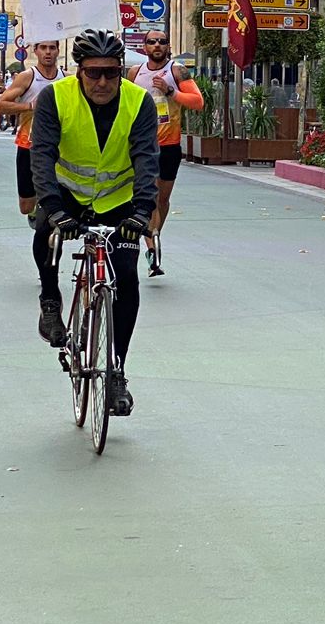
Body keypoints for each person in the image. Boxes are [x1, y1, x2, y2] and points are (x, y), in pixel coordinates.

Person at [29, 30, 158, 417]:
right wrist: (53, 209)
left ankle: (116, 369)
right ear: (78, 71)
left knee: (127, 279)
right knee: (44, 233)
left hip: (119, 202)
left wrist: (142, 212)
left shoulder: (140, 102)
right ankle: (50, 301)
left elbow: (147, 160)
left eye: (111, 73)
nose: (102, 82)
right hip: (67, 196)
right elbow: (42, 154)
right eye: (93, 73)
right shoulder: (55, 97)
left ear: (121, 72)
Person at [130, 34, 203, 275]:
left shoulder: (177, 71)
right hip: (142, 145)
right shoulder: (134, 73)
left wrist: (170, 91)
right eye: (152, 42)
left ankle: (155, 234)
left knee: (162, 199)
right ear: (145, 47)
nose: (157, 46)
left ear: (168, 46)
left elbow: (197, 102)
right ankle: (151, 247)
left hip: (169, 145)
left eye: (161, 42)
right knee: (149, 197)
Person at [0, 38, 65, 220]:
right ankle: (37, 213)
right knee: (26, 206)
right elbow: (1, 105)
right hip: (29, 144)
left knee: (60, 195)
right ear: (36, 51)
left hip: (59, 146)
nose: (48, 52)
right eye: (43, 48)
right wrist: (30, 106)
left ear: (58, 51)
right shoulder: (28, 76)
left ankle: (51, 215)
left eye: (52, 48)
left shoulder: (65, 78)